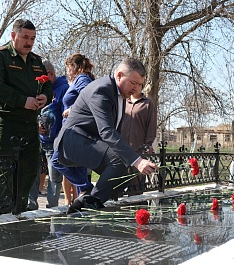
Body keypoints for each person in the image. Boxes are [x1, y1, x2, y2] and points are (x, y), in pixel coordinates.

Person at [52, 58, 158, 213]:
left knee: (123, 175)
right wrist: (137, 161)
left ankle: (86, 202)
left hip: (90, 141)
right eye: (133, 83)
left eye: (140, 85)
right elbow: (107, 131)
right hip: (72, 141)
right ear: (119, 75)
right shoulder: (102, 90)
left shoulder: (120, 95)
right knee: (120, 161)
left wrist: (132, 157)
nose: (136, 89)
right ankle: (90, 202)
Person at [0, 19, 52, 211]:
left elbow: (48, 85)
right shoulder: (0, 56)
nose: (29, 42)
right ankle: (3, 215)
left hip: (30, 123)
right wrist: (23, 100)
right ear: (13, 36)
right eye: (25, 37)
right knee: (5, 170)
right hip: (7, 122)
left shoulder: (36, 60)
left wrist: (44, 97)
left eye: (32, 38)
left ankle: (19, 211)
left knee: (28, 170)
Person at [52, 53, 95, 206]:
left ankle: (86, 188)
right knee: (78, 164)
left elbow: (90, 97)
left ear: (74, 66)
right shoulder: (82, 78)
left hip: (74, 129)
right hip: (78, 129)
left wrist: (73, 109)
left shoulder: (81, 78)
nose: (67, 72)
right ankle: (83, 201)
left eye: (68, 68)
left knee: (57, 160)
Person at [28, 60, 69, 210]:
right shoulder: (36, 88)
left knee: (54, 176)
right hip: (37, 140)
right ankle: (31, 206)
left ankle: (52, 207)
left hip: (54, 142)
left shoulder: (63, 89)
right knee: (33, 173)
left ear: (50, 74)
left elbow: (66, 115)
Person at [120, 84, 157, 195]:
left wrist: (147, 146)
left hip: (138, 152)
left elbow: (151, 128)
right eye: (132, 84)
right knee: (118, 188)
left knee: (135, 189)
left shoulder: (147, 104)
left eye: (138, 85)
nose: (135, 87)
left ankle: (138, 210)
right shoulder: (122, 102)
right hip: (121, 151)